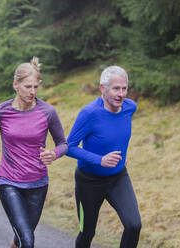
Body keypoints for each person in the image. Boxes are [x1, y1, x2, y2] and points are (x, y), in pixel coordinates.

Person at [0, 57, 67, 248]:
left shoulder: (47, 112)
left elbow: (63, 143)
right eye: (27, 87)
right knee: (28, 240)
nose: (32, 92)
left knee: (21, 238)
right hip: (9, 182)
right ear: (16, 85)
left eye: (35, 87)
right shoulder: (0, 112)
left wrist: (54, 154)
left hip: (38, 184)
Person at [66, 66, 141, 248]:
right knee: (87, 232)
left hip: (118, 177)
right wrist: (100, 160)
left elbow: (116, 135)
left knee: (134, 225)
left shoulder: (130, 108)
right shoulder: (90, 113)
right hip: (89, 182)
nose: (121, 94)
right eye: (116, 88)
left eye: (124, 88)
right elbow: (68, 147)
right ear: (102, 88)